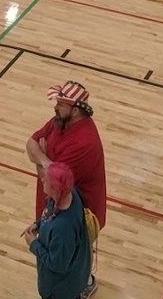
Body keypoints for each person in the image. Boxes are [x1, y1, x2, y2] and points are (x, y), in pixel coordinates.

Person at [26, 81, 106, 299]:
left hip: (82, 210)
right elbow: (31, 144)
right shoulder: (61, 121)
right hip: (56, 198)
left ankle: (83, 284)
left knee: (73, 252)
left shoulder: (83, 143)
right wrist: (45, 161)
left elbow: (49, 176)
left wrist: (41, 162)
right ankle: (83, 282)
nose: (55, 107)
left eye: (61, 104)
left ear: (76, 110)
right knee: (74, 253)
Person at [21, 162, 92, 299]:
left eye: (45, 179)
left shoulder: (62, 229)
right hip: (73, 278)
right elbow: (50, 213)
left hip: (61, 290)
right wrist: (39, 224)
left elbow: (58, 265)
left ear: (54, 188)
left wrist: (33, 244)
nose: (42, 180)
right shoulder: (69, 194)